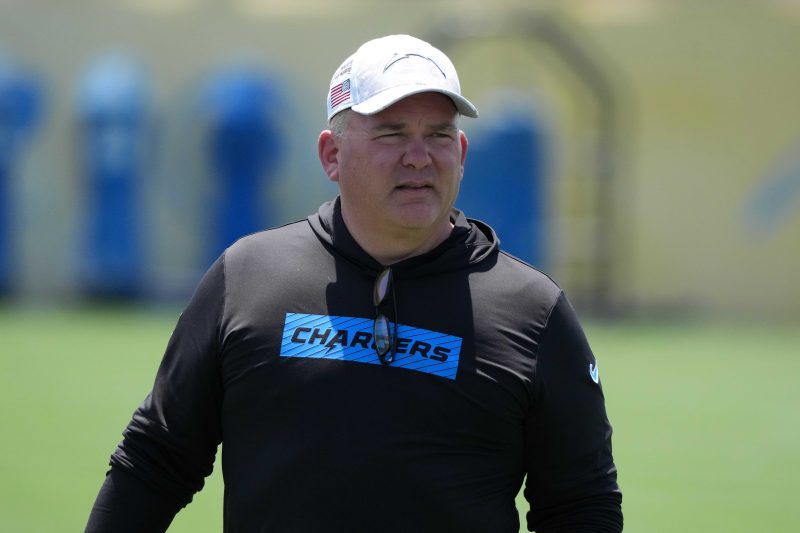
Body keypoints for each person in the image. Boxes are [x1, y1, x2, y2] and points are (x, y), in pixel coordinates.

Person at [85, 34, 623, 532]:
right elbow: (155, 462)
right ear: (332, 155)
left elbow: (581, 504)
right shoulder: (247, 277)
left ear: (461, 154)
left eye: (438, 135)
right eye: (392, 133)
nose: (419, 157)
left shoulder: (533, 309)